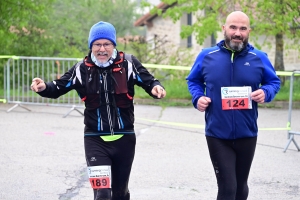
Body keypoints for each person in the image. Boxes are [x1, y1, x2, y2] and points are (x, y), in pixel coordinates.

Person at [31, 21, 166, 200]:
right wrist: (43, 88)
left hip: (124, 138)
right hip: (95, 140)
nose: (102, 49)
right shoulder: (81, 69)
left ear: (113, 45)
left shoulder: (129, 63)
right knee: (102, 194)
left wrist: (157, 88)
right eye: (97, 44)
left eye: (106, 44)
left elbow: (150, 81)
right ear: (91, 46)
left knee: (120, 194)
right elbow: (58, 87)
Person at [186, 11, 280, 200]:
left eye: (243, 28)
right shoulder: (207, 56)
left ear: (249, 31)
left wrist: (266, 92)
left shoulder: (259, 57)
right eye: (233, 27)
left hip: (247, 133)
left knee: (240, 187)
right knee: (228, 188)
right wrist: (198, 97)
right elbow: (193, 80)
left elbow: (274, 82)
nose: (237, 33)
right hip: (217, 134)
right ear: (224, 29)